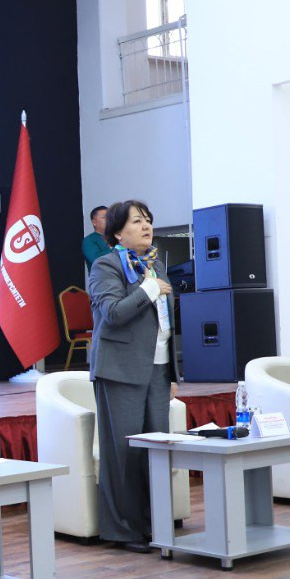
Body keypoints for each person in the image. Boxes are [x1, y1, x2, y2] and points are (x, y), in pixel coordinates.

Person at [87, 200, 177, 553]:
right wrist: (149, 289)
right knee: (124, 453)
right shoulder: (106, 265)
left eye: (148, 220)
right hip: (121, 370)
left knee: (156, 449)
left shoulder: (155, 266)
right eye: (137, 221)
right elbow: (112, 313)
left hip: (157, 368)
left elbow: (164, 323)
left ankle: (155, 523)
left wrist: (171, 373)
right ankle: (123, 530)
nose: (146, 226)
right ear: (117, 232)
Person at [81, 205, 112, 271]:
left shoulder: (118, 237)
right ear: (94, 223)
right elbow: (96, 259)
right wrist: (119, 248)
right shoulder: (89, 240)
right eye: (104, 217)